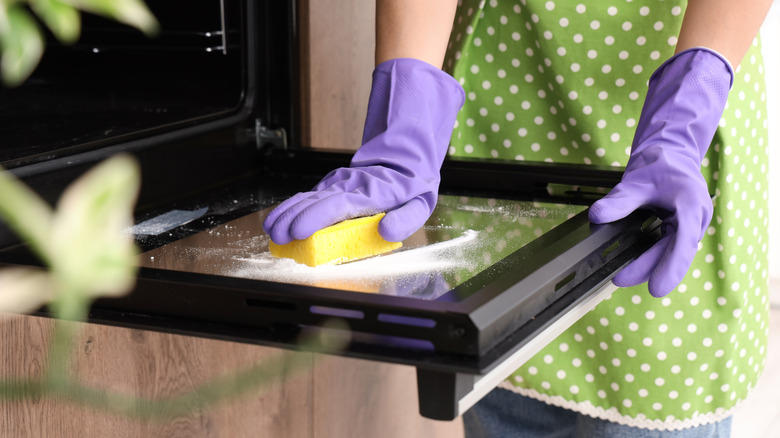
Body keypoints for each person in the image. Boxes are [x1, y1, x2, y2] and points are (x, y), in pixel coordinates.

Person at [264, 0, 773, 436]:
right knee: (503, 369)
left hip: (680, 108)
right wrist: (403, 130)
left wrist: (683, 115)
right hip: (503, 102)